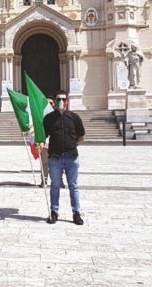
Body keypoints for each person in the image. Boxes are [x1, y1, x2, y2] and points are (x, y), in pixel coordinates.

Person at [43, 91, 85, 225]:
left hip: (71, 157)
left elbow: (81, 136)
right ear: (54, 102)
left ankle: (76, 212)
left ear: (67, 101)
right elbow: (43, 135)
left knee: (73, 185)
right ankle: (54, 211)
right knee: (55, 185)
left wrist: (71, 145)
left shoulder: (74, 117)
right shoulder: (49, 118)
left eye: (63, 99)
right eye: (58, 99)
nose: (61, 102)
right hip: (55, 157)